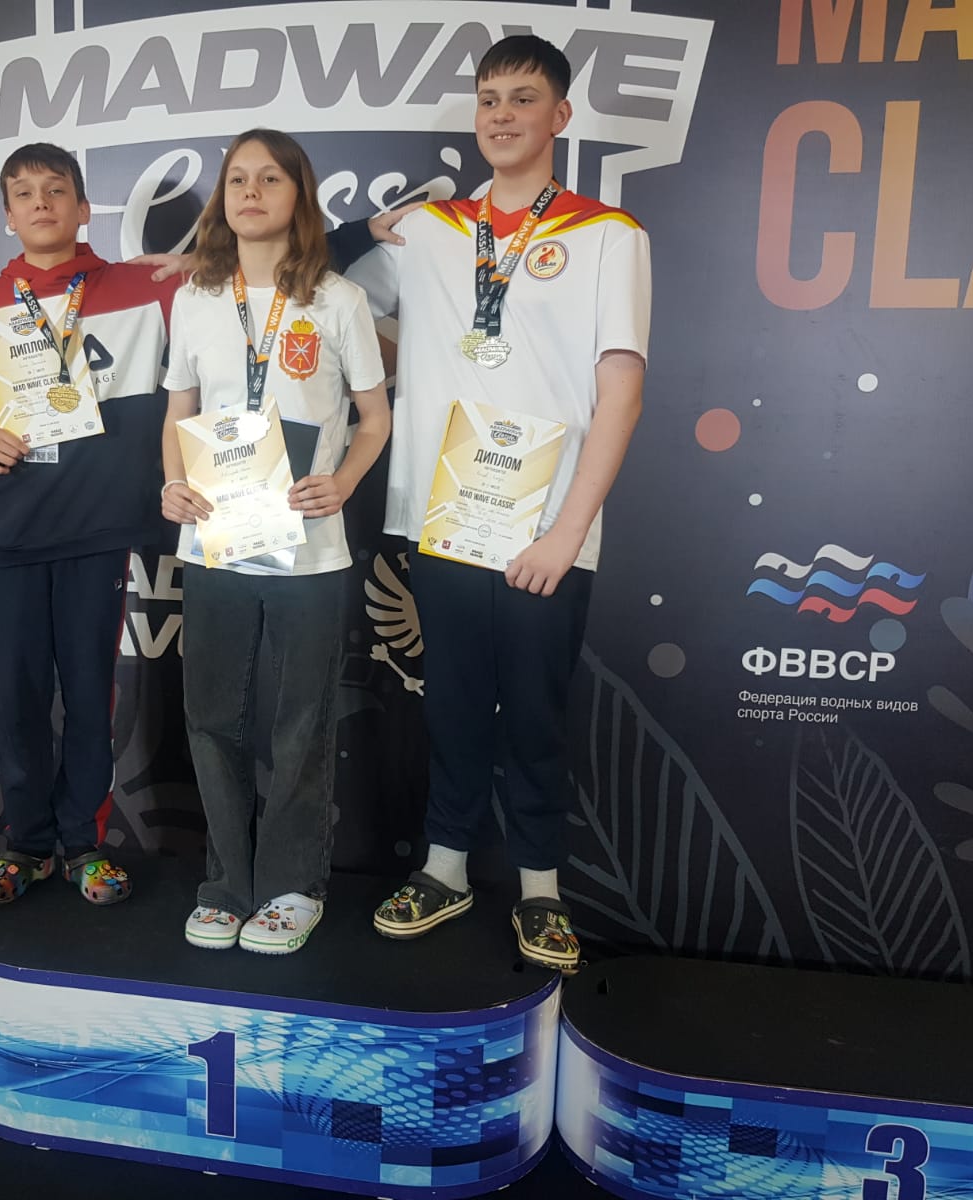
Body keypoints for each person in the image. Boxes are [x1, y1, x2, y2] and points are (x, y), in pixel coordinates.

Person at [342, 35, 651, 971]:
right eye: (488, 99)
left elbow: (621, 389)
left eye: (523, 98)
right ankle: (444, 870)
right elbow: (338, 312)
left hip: (546, 529)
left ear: (560, 116)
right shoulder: (430, 230)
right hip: (448, 515)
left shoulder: (609, 235)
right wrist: (377, 249)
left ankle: (541, 889)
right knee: (453, 703)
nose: (502, 115)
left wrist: (568, 531)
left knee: (537, 713)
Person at [0, 143, 179, 907]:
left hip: (97, 530)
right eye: (23, 193)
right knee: (20, 699)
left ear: (84, 208)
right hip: (11, 531)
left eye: (56, 190)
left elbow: (260, 281)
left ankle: (83, 847)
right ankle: (26, 847)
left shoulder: (145, 289)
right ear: (7, 215)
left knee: (90, 695)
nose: (40, 203)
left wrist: (200, 265)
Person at [161, 129, 390, 955]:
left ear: (299, 196)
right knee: (211, 718)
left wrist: (345, 482)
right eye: (237, 179)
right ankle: (227, 884)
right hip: (215, 543)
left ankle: (294, 887)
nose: (251, 192)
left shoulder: (338, 300)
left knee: (299, 723)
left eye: (269, 179)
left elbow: (375, 418)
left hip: (310, 550)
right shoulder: (195, 298)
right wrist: (171, 484)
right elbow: (179, 410)